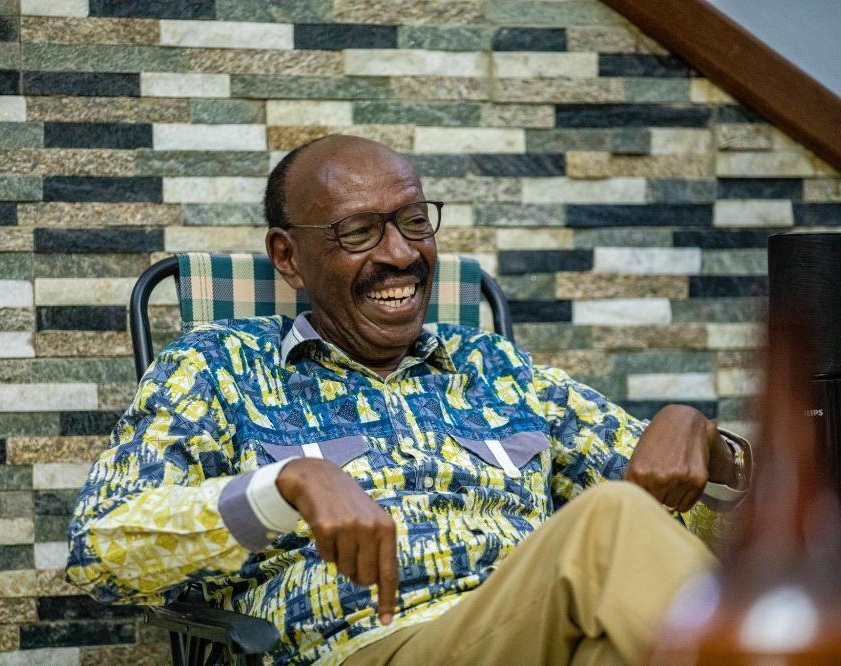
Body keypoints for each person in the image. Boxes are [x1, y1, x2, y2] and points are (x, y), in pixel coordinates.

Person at [66, 135, 751, 665]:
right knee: (609, 519)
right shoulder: (221, 367)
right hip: (366, 647)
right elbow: (101, 551)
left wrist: (707, 443)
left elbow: (730, 546)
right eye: (358, 232)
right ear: (288, 257)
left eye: (414, 222)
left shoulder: (496, 369)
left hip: (532, 637)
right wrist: (285, 485)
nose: (400, 254)